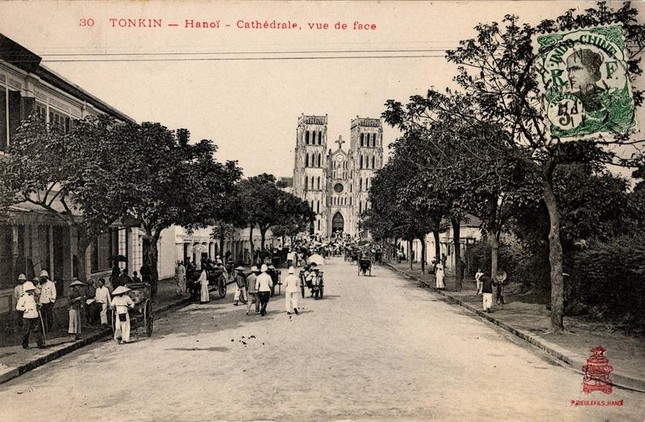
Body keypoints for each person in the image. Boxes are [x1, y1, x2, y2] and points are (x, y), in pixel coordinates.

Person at [566, 48, 607, 113]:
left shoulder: (607, 97)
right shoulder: (568, 98)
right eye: (569, 70)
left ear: (591, 70)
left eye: (576, 68)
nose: (570, 76)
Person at [15, 281, 45, 349]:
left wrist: (38, 305)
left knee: (36, 330)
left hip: (34, 315)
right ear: (27, 290)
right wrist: (25, 309)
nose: (32, 291)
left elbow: (36, 304)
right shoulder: (23, 297)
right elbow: (18, 307)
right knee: (26, 331)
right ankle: (25, 345)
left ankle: (40, 344)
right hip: (27, 316)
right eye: (30, 290)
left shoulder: (34, 297)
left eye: (32, 290)